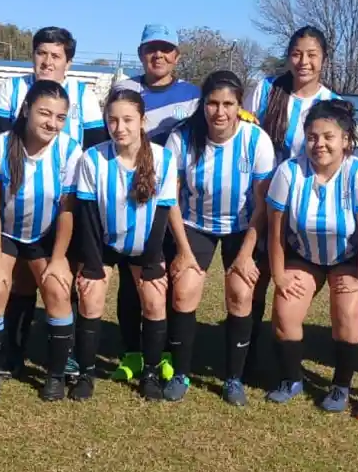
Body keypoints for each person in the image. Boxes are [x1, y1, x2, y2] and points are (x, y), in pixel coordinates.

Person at [0, 26, 106, 377]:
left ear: (68, 62)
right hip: (15, 201)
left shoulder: (84, 94)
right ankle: (12, 350)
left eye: (56, 56)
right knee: (19, 280)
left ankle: (67, 355)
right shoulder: (12, 88)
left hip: (66, 200)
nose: (47, 62)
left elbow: (95, 147)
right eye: (41, 54)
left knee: (67, 277)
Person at [161, 70, 276, 406]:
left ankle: (234, 378)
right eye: (212, 103)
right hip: (195, 224)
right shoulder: (182, 137)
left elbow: (263, 204)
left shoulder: (256, 140)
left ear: (240, 106)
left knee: (241, 292)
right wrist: (182, 250)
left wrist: (245, 254)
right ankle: (181, 372)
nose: (220, 111)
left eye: (228, 104)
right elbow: (171, 198)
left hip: (243, 226)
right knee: (183, 290)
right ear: (203, 105)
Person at [0, 79, 83, 403]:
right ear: (26, 110)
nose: (52, 123)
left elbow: (67, 211)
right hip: (3, 233)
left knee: (59, 291)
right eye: (45, 113)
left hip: (45, 236)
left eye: (60, 117)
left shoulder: (70, 150)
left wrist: (59, 258)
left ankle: (56, 375)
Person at [264, 99, 358, 407]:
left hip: (348, 258)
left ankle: (341, 385)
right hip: (305, 255)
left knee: (346, 313)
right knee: (284, 311)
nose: (320, 144)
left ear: (345, 140)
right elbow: (275, 232)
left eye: (329, 137)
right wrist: (278, 274)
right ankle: (291, 379)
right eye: (313, 137)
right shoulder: (288, 172)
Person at [72, 88, 183, 401]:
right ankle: (86, 373)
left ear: (143, 121)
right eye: (112, 120)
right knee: (90, 297)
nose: (119, 127)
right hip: (104, 244)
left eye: (127, 120)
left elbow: (162, 215)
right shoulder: (93, 158)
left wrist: (151, 264)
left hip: (144, 247)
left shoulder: (163, 158)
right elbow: (89, 215)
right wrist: (92, 266)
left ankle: (149, 373)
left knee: (154, 300)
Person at [242, 25, 340, 379]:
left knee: (288, 279)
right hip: (261, 200)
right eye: (297, 53)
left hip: (301, 210)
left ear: (324, 59)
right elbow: (247, 135)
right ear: (288, 56)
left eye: (312, 54)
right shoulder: (267, 90)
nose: (304, 61)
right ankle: (247, 352)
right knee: (257, 278)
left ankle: (282, 350)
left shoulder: (333, 102)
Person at [107, 24, 203, 382]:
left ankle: (162, 354)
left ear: (176, 56)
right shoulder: (125, 89)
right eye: (151, 49)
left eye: (166, 49)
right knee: (130, 285)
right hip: (128, 204)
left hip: (166, 201)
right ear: (140, 53)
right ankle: (132, 353)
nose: (158, 55)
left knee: (163, 282)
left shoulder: (193, 95)